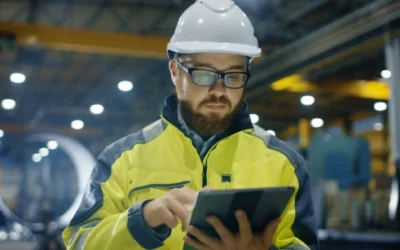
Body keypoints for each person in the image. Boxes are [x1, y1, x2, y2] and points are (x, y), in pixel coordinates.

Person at [62, 0, 319, 249]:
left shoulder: (284, 164)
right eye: (204, 74)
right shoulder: (122, 160)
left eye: (233, 75)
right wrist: (143, 220)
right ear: (175, 72)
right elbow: (80, 242)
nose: (219, 90)